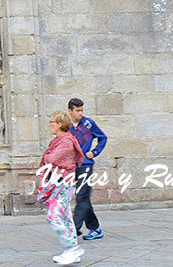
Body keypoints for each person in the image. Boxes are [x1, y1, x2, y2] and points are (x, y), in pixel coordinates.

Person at [39, 111, 85, 265]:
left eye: (52, 121)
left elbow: (51, 158)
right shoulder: (59, 140)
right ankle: (72, 250)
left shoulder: (65, 141)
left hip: (64, 184)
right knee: (65, 217)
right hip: (61, 183)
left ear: (59, 124)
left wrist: (47, 156)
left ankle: (72, 248)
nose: (50, 124)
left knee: (53, 216)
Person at [69, 97, 107, 241]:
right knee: (83, 198)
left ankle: (73, 229)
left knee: (82, 197)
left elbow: (103, 138)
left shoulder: (88, 124)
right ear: (70, 111)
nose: (80, 113)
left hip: (85, 165)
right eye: (77, 111)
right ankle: (95, 228)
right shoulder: (67, 126)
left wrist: (94, 152)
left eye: (81, 110)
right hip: (72, 166)